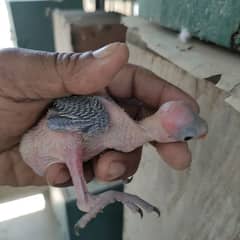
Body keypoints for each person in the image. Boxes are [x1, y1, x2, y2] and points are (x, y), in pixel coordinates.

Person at [0, 42, 199, 187]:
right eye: (186, 136)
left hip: (40, 152)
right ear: (168, 137)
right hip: (40, 145)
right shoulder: (105, 117)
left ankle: (88, 200)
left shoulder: (123, 127)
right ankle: (85, 201)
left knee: (86, 149)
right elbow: (56, 122)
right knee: (76, 142)